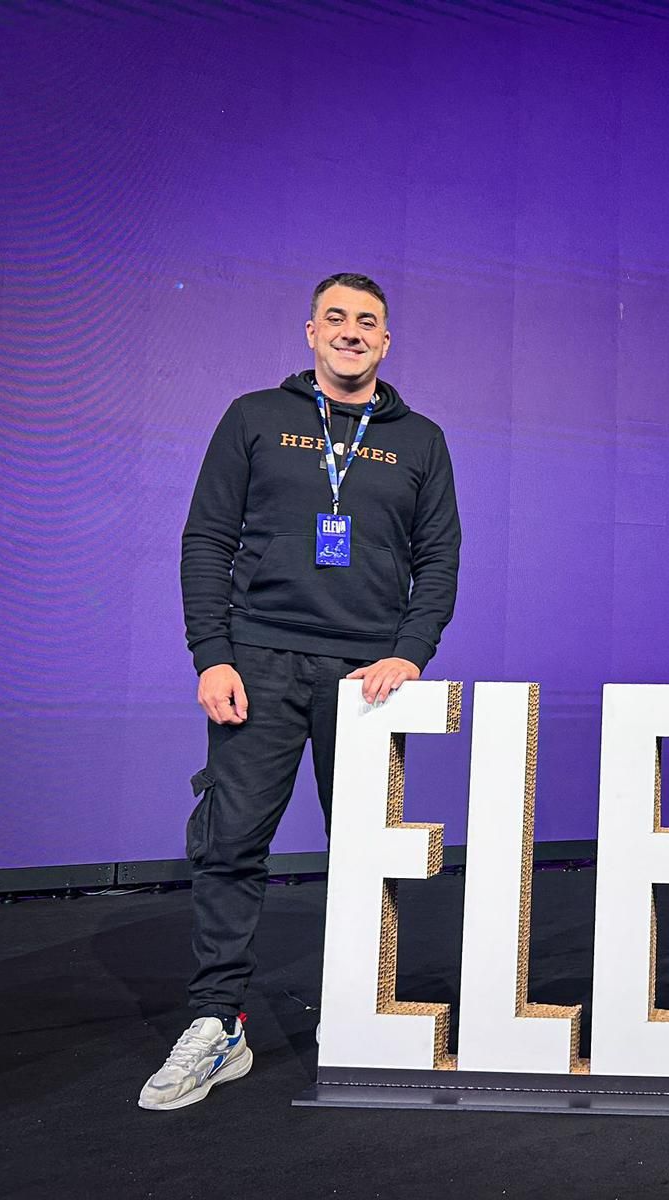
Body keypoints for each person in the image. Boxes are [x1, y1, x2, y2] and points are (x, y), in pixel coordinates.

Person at [139, 273, 462, 1110]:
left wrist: (410, 655)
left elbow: (439, 561)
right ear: (311, 332)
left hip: (367, 680)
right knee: (231, 845)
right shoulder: (254, 418)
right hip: (259, 664)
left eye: (368, 321)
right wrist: (212, 655)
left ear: (386, 341)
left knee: (366, 854)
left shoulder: (420, 440)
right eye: (336, 318)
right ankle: (218, 1024)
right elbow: (207, 540)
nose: (351, 331)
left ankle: (360, 1018)